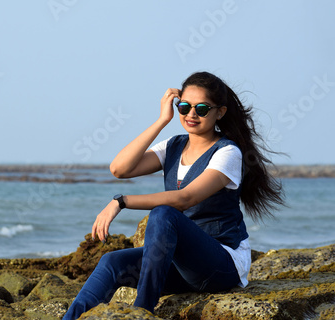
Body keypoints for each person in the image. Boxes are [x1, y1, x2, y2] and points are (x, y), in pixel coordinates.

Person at [63, 71, 284, 319]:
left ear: (219, 112)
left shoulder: (228, 153)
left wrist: (121, 202)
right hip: (182, 266)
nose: (191, 114)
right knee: (111, 262)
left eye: (201, 109)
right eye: (184, 106)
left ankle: (142, 311)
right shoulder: (173, 146)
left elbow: (185, 199)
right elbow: (119, 169)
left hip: (221, 265)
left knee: (164, 213)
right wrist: (161, 120)